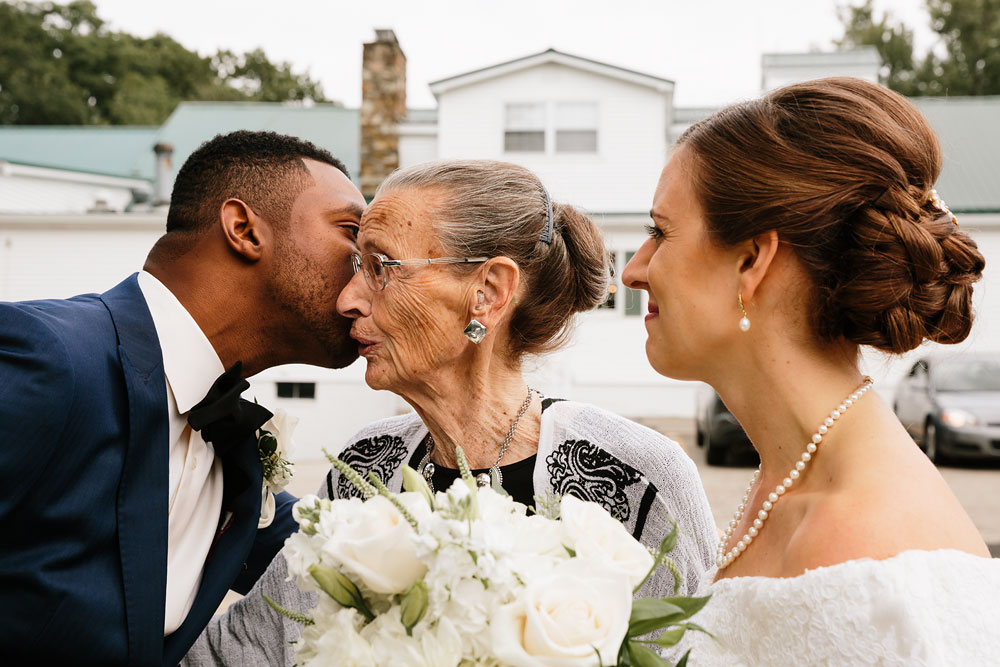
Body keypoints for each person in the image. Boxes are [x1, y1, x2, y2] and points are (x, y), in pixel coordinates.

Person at [183, 159, 718, 666]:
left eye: (379, 267)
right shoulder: (364, 467)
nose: (347, 298)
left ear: (486, 292)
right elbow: (249, 647)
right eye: (354, 267)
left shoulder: (638, 481)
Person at [622, 77, 1000, 664]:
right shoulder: (787, 483)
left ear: (751, 260)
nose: (635, 270)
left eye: (659, 233)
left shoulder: (858, 544)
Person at [0, 130, 366, 666]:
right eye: (352, 232)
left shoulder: (237, 456)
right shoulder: (48, 357)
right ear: (243, 229)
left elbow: (357, 561)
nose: (369, 265)